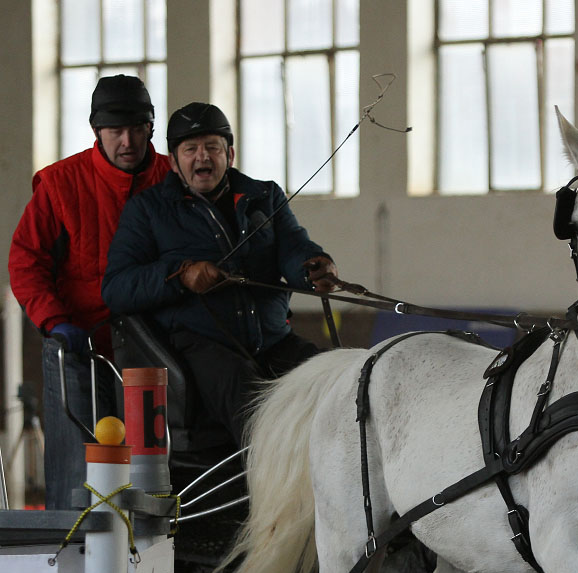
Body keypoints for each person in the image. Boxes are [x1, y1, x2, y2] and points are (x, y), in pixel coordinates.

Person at [102, 102, 337, 446]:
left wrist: (315, 266)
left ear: (230, 153)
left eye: (212, 147)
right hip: (202, 347)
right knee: (254, 403)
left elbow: (294, 248)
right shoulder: (147, 210)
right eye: (190, 149)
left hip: (273, 341)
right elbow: (117, 288)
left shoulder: (265, 196)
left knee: (336, 380)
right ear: (173, 161)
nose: (202, 157)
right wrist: (180, 275)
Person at [8, 75, 170, 510]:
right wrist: (55, 321)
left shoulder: (173, 179)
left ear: (151, 128)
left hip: (155, 344)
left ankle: (162, 549)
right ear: (97, 131)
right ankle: (73, 544)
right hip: (78, 344)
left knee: (155, 468)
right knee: (79, 471)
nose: (127, 140)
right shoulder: (61, 185)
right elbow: (25, 260)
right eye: (115, 130)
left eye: (137, 128)